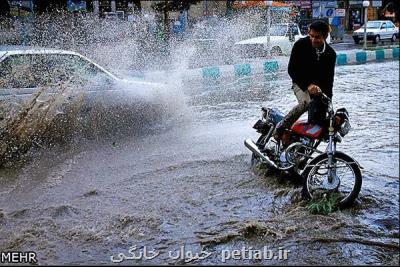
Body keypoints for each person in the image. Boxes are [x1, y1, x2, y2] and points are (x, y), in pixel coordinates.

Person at [274, 20, 337, 140]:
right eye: (311, 36)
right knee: (306, 102)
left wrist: (328, 101)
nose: (313, 40)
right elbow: (291, 70)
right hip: (300, 83)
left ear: (325, 36)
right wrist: (308, 85)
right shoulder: (300, 45)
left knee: (318, 124)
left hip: (318, 89)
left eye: (317, 37)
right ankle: (282, 126)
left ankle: (302, 150)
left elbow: (329, 81)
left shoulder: (330, 54)